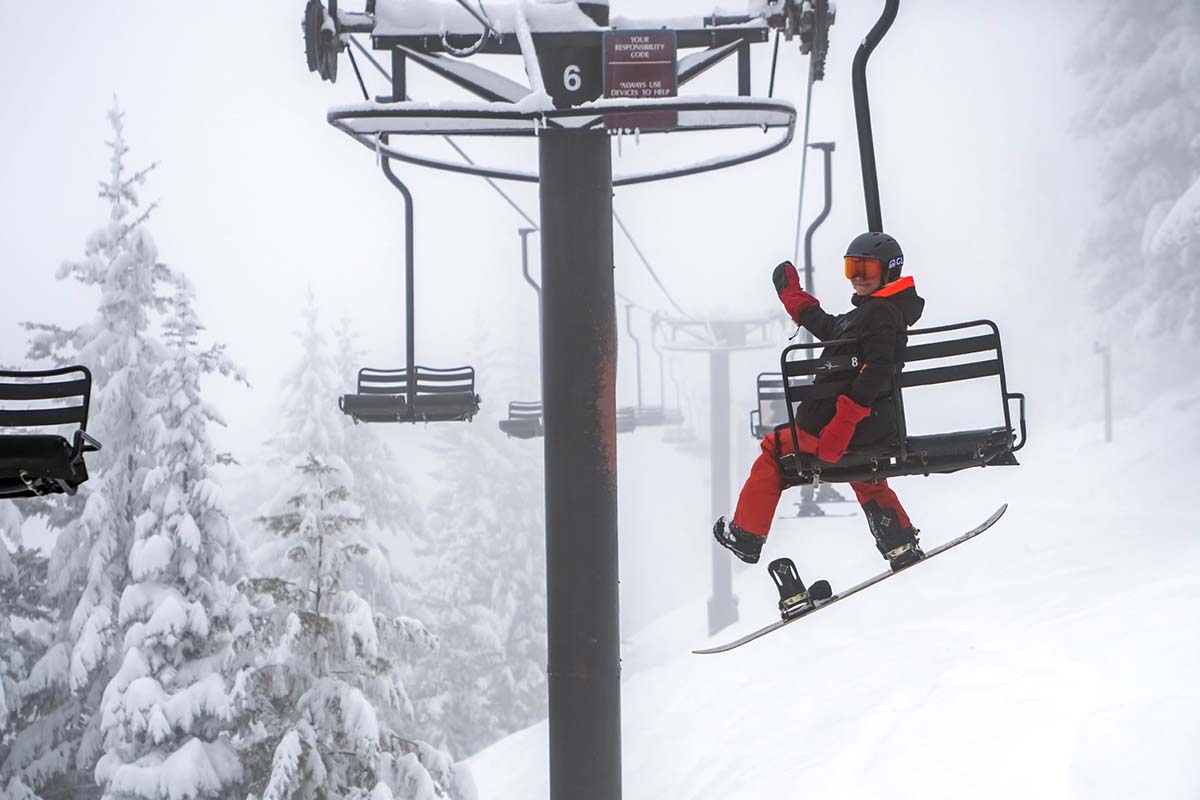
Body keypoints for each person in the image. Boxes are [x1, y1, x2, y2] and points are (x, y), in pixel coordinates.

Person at [713, 232, 926, 571]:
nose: (857, 277)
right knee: (864, 473)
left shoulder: (880, 314)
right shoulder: (877, 312)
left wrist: (841, 426)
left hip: (840, 430)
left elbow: (878, 369)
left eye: (866, 269)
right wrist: (793, 297)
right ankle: (898, 543)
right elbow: (831, 326)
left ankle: (746, 535)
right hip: (867, 430)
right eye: (851, 268)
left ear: (890, 272)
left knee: (774, 450)